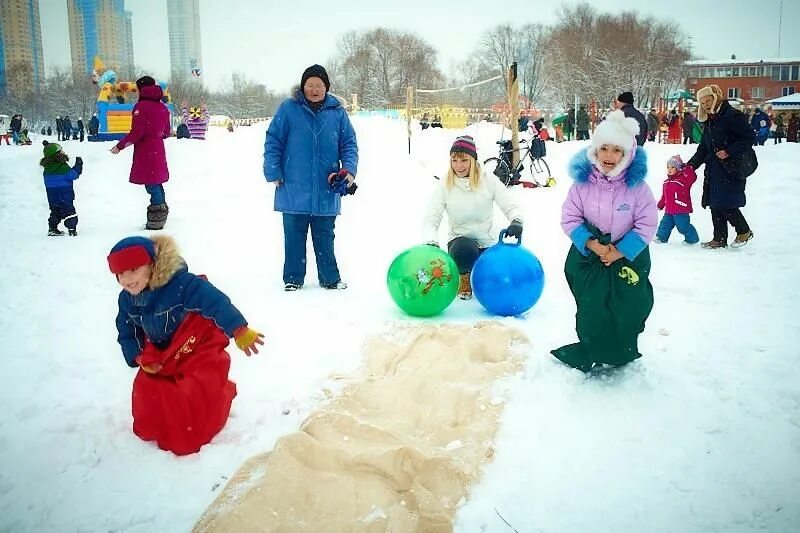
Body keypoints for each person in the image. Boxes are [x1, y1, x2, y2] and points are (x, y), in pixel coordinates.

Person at [108, 234, 264, 455]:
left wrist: (239, 329)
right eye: (120, 273)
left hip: (197, 343)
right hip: (163, 349)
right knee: (146, 389)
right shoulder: (127, 299)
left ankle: (208, 409)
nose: (127, 279)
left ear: (152, 265)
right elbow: (126, 329)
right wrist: (139, 357)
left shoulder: (181, 284)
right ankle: (162, 423)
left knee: (193, 390)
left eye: (134, 269)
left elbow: (215, 302)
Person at [551, 110, 657, 372]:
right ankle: (594, 346)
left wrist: (620, 251)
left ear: (627, 154)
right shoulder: (582, 184)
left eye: (616, 151)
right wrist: (590, 243)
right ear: (595, 151)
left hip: (627, 257)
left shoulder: (638, 188)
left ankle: (621, 349)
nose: (609, 156)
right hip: (590, 255)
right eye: (604, 149)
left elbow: (647, 223)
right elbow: (570, 217)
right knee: (592, 308)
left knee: (630, 307)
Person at [263, 64, 359, 291]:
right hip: (293, 186)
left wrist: (350, 170)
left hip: (327, 187)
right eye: (310, 85)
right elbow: (273, 140)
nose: (314, 89)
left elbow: (349, 144)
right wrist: (273, 171)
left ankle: (330, 278)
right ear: (302, 86)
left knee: (325, 235)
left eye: (319, 85)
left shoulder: (337, 113)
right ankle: (293, 278)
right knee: (294, 236)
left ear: (326, 87)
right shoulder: (288, 109)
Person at [422, 135, 524, 300]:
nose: (459, 166)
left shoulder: (489, 181)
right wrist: (431, 241)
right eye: (454, 160)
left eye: (463, 160)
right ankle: (463, 277)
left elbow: (510, 205)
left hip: (487, 242)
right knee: (466, 250)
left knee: (500, 277)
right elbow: (431, 217)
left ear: (473, 159)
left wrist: (516, 221)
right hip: (460, 244)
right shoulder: (445, 185)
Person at [687, 84, 755, 249]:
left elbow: (749, 137)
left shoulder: (732, 116)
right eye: (702, 103)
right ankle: (719, 238)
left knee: (725, 203)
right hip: (714, 169)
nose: (706, 105)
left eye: (708, 100)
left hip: (732, 167)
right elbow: (703, 148)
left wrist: (729, 151)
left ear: (716, 98)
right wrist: (690, 165)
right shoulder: (711, 121)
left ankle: (744, 230)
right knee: (715, 203)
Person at [110, 76, 172, 230]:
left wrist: (120, 146)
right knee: (156, 181)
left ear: (141, 89)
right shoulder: (163, 107)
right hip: (158, 148)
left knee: (151, 184)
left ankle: (157, 218)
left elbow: (137, 133)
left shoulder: (141, 107)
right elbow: (166, 132)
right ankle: (161, 213)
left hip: (146, 150)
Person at [40, 140, 82, 236]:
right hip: (65, 194)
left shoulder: (47, 169)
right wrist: (78, 165)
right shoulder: (63, 167)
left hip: (52, 195)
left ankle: (52, 228)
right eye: (61, 151)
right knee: (69, 211)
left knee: (55, 211)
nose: (63, 152)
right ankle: (71, 229)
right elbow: (73, 175)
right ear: (58, 154)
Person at [654, 155, 699, 244]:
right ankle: (661, 237)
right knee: (665, 224)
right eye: (668, 167)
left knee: (683, 226)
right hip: (669, 210)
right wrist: (660, 205)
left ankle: (692, 239)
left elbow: (692, 177)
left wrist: (685, 167)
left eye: (672, 167)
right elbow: (664, 197)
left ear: (678, 168)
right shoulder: (666, 182)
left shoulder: (683, 180)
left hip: (681, 209)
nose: (669, 169)